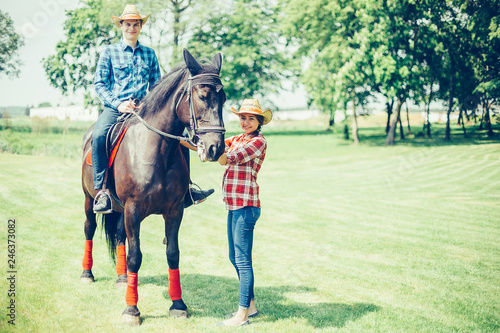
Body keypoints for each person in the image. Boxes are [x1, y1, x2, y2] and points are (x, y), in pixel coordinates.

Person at [92, 4, 213, 213]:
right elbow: (99, 84)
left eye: (136, 24)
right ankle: (101, 191)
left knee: (181, 137)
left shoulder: (149, 54)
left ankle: (188, 188)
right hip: (116, 108)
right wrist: (119, 103)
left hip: (145, 109)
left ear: (140, 26)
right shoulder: (109, 52)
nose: (132, 27)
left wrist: (148, 103)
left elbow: (157, 86)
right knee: (99, 136)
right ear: (121, 25)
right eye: (128, 23)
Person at [217, 99, 272, 326]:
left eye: (251, 118)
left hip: (246, 206)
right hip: (233, 205)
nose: (246, 122)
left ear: (259, 121)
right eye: (242, 117)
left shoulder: (258, 142)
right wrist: (184, 142)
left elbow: (226, 158)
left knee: (242, 259)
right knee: (234, 256)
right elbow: (216, 145)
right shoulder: (239, 138)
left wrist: (214, 150)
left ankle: (242, 315)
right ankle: (251, 306)